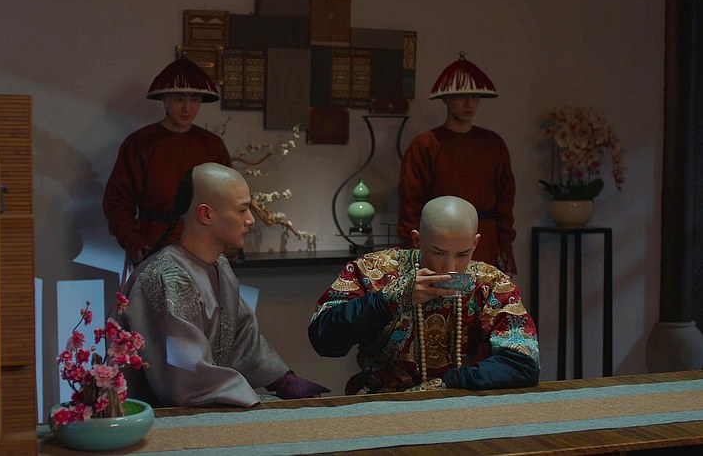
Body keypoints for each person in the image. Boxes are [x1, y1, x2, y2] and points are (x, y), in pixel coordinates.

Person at [121, 162, 330, 407]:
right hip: (160, 414)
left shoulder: (219, 265)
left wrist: (282, 380)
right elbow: (185, 374)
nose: (250, 220)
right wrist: (251, 396)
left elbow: (241, 334)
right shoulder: (168, 276)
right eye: (242, 210)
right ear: (206, 214)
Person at [309, 195, 539, 394]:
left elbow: (524, 363)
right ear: (417, 240)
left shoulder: (489, 282)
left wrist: (450, 383)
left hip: (459, 399)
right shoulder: (374, 270)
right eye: (438, 253)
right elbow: (323, 339)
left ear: (475, 243)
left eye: (462, 254)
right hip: (382, 401)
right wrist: (390, 299)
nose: (450, 268)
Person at [103, 57, 232, 265]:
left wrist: (227, 238)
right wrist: (132, 239)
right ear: (165, 99)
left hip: (205, 246)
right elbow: (118, 200)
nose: (187, 108)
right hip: (154, 245)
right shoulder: (140, 144)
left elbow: (228, 199)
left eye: (195, 100)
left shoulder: (212, 145)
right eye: (179, 99)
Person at [397, 52, 518, 275]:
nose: (469, 103)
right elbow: (410, 205)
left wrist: (505, 248)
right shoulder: (425, 145)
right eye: (461, 95)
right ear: (446, 98)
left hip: (484, 240)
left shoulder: (493, 144)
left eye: (475, 96)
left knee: (483, 296)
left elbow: (505, 203)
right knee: (438, 295)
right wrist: (411, 255)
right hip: (438, 244)